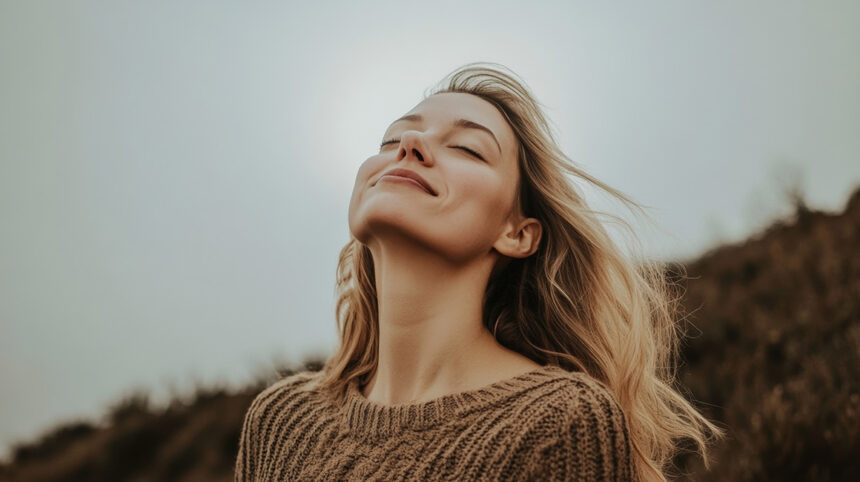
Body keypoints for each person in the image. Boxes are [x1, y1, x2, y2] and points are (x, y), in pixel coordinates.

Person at [234, 62, 724, 481]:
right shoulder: (279, 420)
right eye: (391, 138)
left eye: (467, 148)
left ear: (516, 232)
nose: (410, 144)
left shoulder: (557, 423)